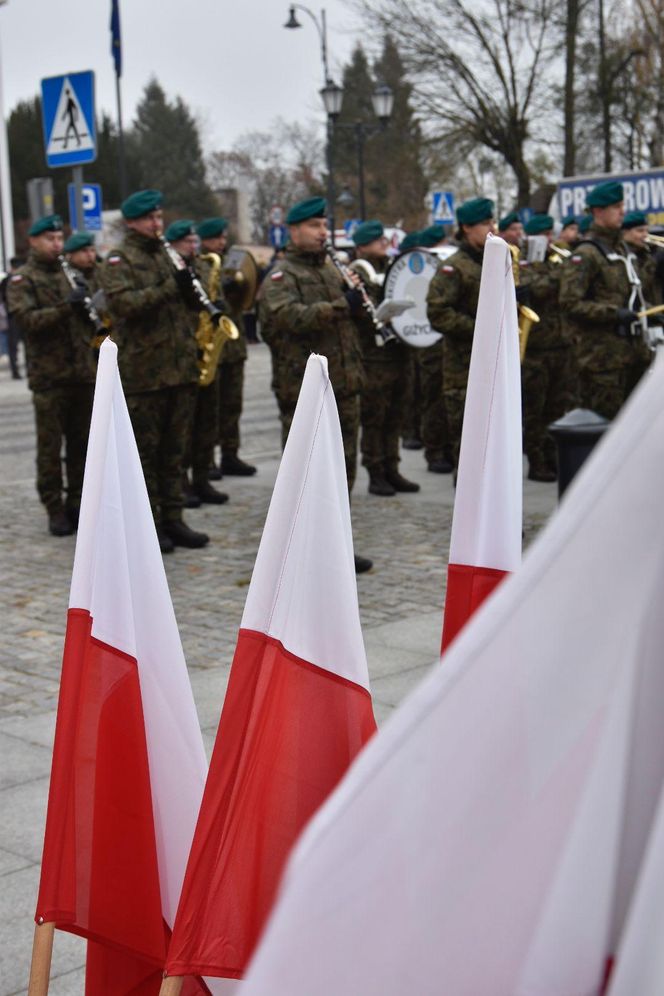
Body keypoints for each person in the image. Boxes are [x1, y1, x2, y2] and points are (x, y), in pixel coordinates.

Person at [257, 196, 372, 574]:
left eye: (324, 226)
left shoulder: (331, 269)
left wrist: (365, 304)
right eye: (315, 226)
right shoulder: (280, 275)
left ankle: (336, 546)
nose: (323, 233)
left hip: (344, 382)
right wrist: (344, 304)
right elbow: (289, 317)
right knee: (306, 474)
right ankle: (301, 552)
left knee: (343, 470)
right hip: (304, 389)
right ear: (294, 231)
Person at [102, 189, 209, 553]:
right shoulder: (120, 259)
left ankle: (174, 518)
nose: (156, 224)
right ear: (132, 221)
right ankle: (148, 526)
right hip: (145, 375)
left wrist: (193, 286)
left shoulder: (168, 255)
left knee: (174, 452)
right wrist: (169, 287)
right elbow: (124, 305)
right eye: (149, 218)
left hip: (179, 369)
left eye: (159, 218)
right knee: (145, 457)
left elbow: (189, 305)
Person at [6, 215, 96, 535]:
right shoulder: (23, 279)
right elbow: (27, 320)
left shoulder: (69, 273)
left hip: (82, 372)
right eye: (50, 239)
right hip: (50, 377)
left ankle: (77, 502)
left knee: (81, 445)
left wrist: (89, 307)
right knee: (50, 447)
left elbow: (86, 319)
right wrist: (65, 307)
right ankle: (54, 507)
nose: (57, 245)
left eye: (59, 239)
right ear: (33, 241)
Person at [559, 180, 652, 420]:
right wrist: (613, 314)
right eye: (616, 207)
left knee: (635, 427)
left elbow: (627, 295)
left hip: (632, 355)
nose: (623, 211)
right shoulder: (586, 254)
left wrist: (649, 312)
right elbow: (570, 303)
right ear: (599, 212)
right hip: (602, 362)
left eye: (622, 205)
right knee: (606, 429)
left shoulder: (621, 250)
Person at [164, 218, 229, 508]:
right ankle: (183, 484)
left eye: (194, 241)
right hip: (180, 351)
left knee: (207, 423)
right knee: (183, 429)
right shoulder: (170, 269)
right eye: (188, 243)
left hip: (204, 349)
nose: (194, 246)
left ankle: (203, 478)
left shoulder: (202, 266)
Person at [351, 219, 419, 496]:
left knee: (396, 416)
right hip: (373, 357)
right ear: (362, 247)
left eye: (383, 239)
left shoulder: (393, 268)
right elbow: (358, 314)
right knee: (375, 418)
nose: (383, 243)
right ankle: (375, 471)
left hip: (398, 352)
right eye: (376, 240)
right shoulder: (357, 272)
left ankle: (392, 468)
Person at [426, 197, 495, 466]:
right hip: (463, 369)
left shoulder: (494, 259)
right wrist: (479, 329)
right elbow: (437, 312)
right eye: (485, 223)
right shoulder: (454, 266)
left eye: (492, 221)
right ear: (466, 227)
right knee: (469, 449)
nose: (492, 227)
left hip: (493, 365)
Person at [519, 214, 578, 482]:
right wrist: (562, 270)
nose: (550, 239)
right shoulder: (525, 264)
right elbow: (539, 289)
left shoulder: (559, 261)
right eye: (544, 234)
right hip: (536, 348)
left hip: (561, 345)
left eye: (550, 233)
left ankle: (552, 456)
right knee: (535, 409)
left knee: (557, 406)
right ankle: (536, 460)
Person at [197, 217, 256, 477]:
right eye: (216, 239)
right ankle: (206, 460)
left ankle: (230, 454)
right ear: (204, 241)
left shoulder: (230, 262)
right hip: (213, 349)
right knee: (210, 410)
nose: (221, 243)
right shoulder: (200, 265)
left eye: (223, 238)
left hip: (234, 345)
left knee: (233, 404)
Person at [621, 210, 661, 306]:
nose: (645, 235)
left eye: (647, 230)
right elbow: (638, 285)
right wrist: (655, 260)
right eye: (640, 231)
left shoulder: (647, 251)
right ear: (625, 232)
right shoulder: (622, 254)